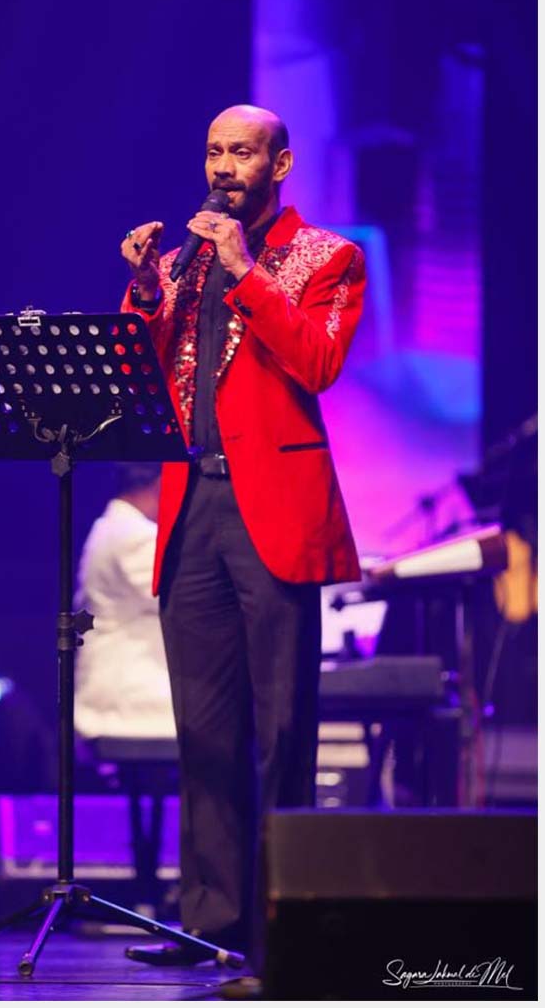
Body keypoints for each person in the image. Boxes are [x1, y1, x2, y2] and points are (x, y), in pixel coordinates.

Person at [118, 105, 366, 973]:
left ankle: (282, 920)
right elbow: (142, 376)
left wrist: (245, 271)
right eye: (214, 151)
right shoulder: (181, 262)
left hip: (275, 507)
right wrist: (145, 290)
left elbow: (318, 363)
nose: (224, 167)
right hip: (193, 504)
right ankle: (210, 919)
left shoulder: (326, 256)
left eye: (243, 153)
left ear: (280, 164)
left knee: (282, 725)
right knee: (206, 727)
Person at [74, 463, 176, 741]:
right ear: (162, 483)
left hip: (122, 684)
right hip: (130, 694)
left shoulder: (113, 527)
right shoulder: (134, 536)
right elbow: (181, 599)